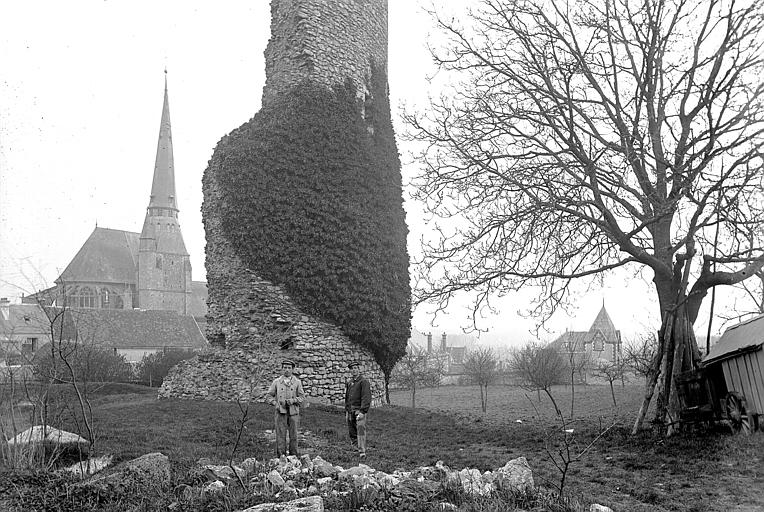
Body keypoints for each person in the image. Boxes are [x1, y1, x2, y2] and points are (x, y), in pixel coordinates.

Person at [266, 359, 305, 456]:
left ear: (292, 370)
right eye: (285, 368)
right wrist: (276, 404)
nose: (287, 370)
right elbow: (268, 396)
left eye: (289, 368)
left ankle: (294, 457)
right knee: (280, 435)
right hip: (280, 412)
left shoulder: (297, 382)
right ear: (282, 369)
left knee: (294, 435)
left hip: (293, 412)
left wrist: (293, 401)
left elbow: (302, 397)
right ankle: (281, 457)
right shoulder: (277, 382)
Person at [344, 361, 371, 458]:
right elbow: (347, 397)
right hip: (350, 410)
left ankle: (362, 451)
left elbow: (366, 397)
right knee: (352, 431)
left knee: (360, 430)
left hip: (359, 410)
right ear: (350, 371)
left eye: (356, 368)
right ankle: (355, 448)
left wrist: (363, 411)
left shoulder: (363, 382)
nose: (354, 370)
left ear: (359, 369)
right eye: (352, 369)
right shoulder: (350, 382)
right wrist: (347, 410)